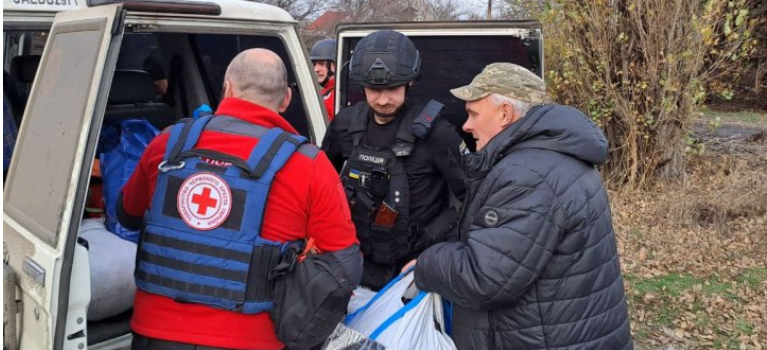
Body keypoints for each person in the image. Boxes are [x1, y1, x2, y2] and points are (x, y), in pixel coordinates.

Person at [118, 48, 362, 350]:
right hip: (254, 340)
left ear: (227, 89)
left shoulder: (168, 142)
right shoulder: (309, 164)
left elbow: (126, 214)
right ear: (286, 99)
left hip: (154, 334)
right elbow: (345, 264)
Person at [408, 63, 633, 350]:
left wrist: (428, 263)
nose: (466, 125)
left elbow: (485, 278)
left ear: (505, 113)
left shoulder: (528, 175)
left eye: (473, 114)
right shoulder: (551, 156)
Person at [321, 30, 467, 290]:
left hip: (413, 270)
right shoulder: (345, 123)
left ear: (410, 82)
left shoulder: (436, 133)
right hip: (354, 265)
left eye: (392, 89)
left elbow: (470, 196)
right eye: (374, 90)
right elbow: (321, 185)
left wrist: (431, 244)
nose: (383, 99)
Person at [309, 39, 337, 120]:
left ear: (334, 65)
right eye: (314, 64)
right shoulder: (324, 93)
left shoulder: (337, 96)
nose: (316, 69)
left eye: (321, 64)